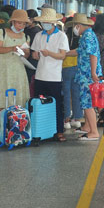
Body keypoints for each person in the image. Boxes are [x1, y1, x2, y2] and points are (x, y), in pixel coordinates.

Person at [31, 8, 70, 142]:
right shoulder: (38, 35)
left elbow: (62, 55)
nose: (45, 24)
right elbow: (34, 53)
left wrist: (49, 53)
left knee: (56, 105)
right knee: (39, 103)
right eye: (43, 22)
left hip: (54, 77)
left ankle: (59, 131)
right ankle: (40, 129)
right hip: (40, 76)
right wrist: (35, 55)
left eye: (47, 22)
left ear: (53, 22)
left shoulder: (61, 36)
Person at [0, 9, 30, 135]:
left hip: (18, 69)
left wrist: (25, 53)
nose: (21, 26)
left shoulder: (25, 36)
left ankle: (17, 124)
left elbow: (27, 54)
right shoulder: (1, 33)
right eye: (19, 23)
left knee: (18, 96)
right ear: (12, 21)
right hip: (3, 69)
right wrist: (12, 48)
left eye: (23, 24)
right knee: (0, 95)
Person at [69, 14, 102, 141]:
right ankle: (88, 127)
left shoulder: (88, 36)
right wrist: (65, 53)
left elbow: (93, 55)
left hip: (88, 75)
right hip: (85, 73)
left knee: (87, 102)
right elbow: (80, 51)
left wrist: (93, 73)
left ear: (78, 25)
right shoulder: (87, 35)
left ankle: (94, 132)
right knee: (87, 101)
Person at [62, 16, 83, 131]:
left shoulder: (64, 37)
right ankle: (77, 119)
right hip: (77, 67)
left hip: (65, 67)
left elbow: (62, 52)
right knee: (76, 94)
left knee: (66, 94)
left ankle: (66, 120)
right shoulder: (80, 37)